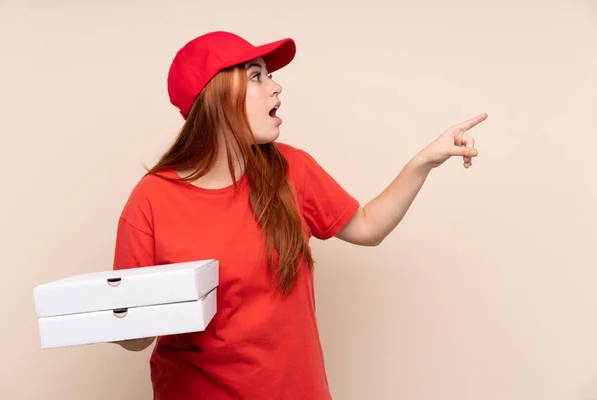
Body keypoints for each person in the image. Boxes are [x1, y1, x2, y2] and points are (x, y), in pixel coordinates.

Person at [111, 31, 487, 400]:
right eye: (256, 76)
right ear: (217, 98)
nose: (276, 87)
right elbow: (135, 338)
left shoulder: (292, 169)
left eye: (269, 75)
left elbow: (368, 226)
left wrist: (424, 161)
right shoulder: (153, 199)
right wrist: (120, 316)